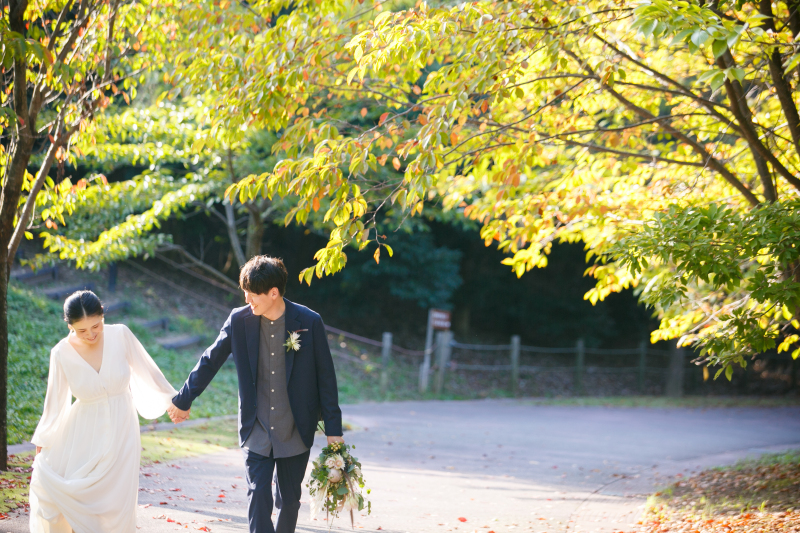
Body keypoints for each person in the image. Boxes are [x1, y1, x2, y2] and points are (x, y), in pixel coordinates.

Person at [168, 255, 343, 533]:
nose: (247, 299)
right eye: (245, 293)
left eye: (253, 294)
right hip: (256, 428)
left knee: (289, 501)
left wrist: (334, 429)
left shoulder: (309, 322)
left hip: (295, 428)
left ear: (274, 293)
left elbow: (326, 377)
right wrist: (183, 398)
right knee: (258, 494)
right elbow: (211, 359)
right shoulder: (239, 320)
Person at [29, 290, 178, 533]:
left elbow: (148, 372)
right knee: (76, 495)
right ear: (69, 325)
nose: (91, 334)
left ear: (103, 316)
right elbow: (55, 402)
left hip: (123, 430)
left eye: (96, 326)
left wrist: (174, 401)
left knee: (116, 502)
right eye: (81, 330)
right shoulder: (61, 353)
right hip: (83, 433)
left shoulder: (120, 335)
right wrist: (44, 439)